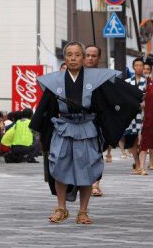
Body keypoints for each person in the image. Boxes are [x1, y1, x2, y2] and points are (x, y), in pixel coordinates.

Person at [30, 42, 142, 224]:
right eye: (69, 55)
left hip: (86, 128)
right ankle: (61, 208)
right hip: (63, 127)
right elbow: (46, 108)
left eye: (77, 55)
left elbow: (113, 97)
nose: (73, 58)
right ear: (64, 58)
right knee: (59, 166)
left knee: (87, 169)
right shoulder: (54, 81)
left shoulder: (96, 79)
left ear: (83, 58)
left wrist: (136, 98)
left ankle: (83, 211)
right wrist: (42, 133)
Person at [84, 45, 107, 196]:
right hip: (79, 120)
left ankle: (95, 184)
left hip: (98, 119)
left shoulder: (104, 76)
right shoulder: (77, 75)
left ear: (99, 58)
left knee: (97, 152)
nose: (91, 58)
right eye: (88, 55)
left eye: (94, 55)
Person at [124, 58, 147, 174]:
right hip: (131, 114)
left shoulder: (148, 81)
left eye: (140, 65)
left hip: (144, 114)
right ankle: (137, 162)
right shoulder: (127, 81)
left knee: (143, 139)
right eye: (136, 65)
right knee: (132, 139)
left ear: (143, 67)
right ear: (133, 68)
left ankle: (142, 165)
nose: (139, 67)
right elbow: (124, 97)